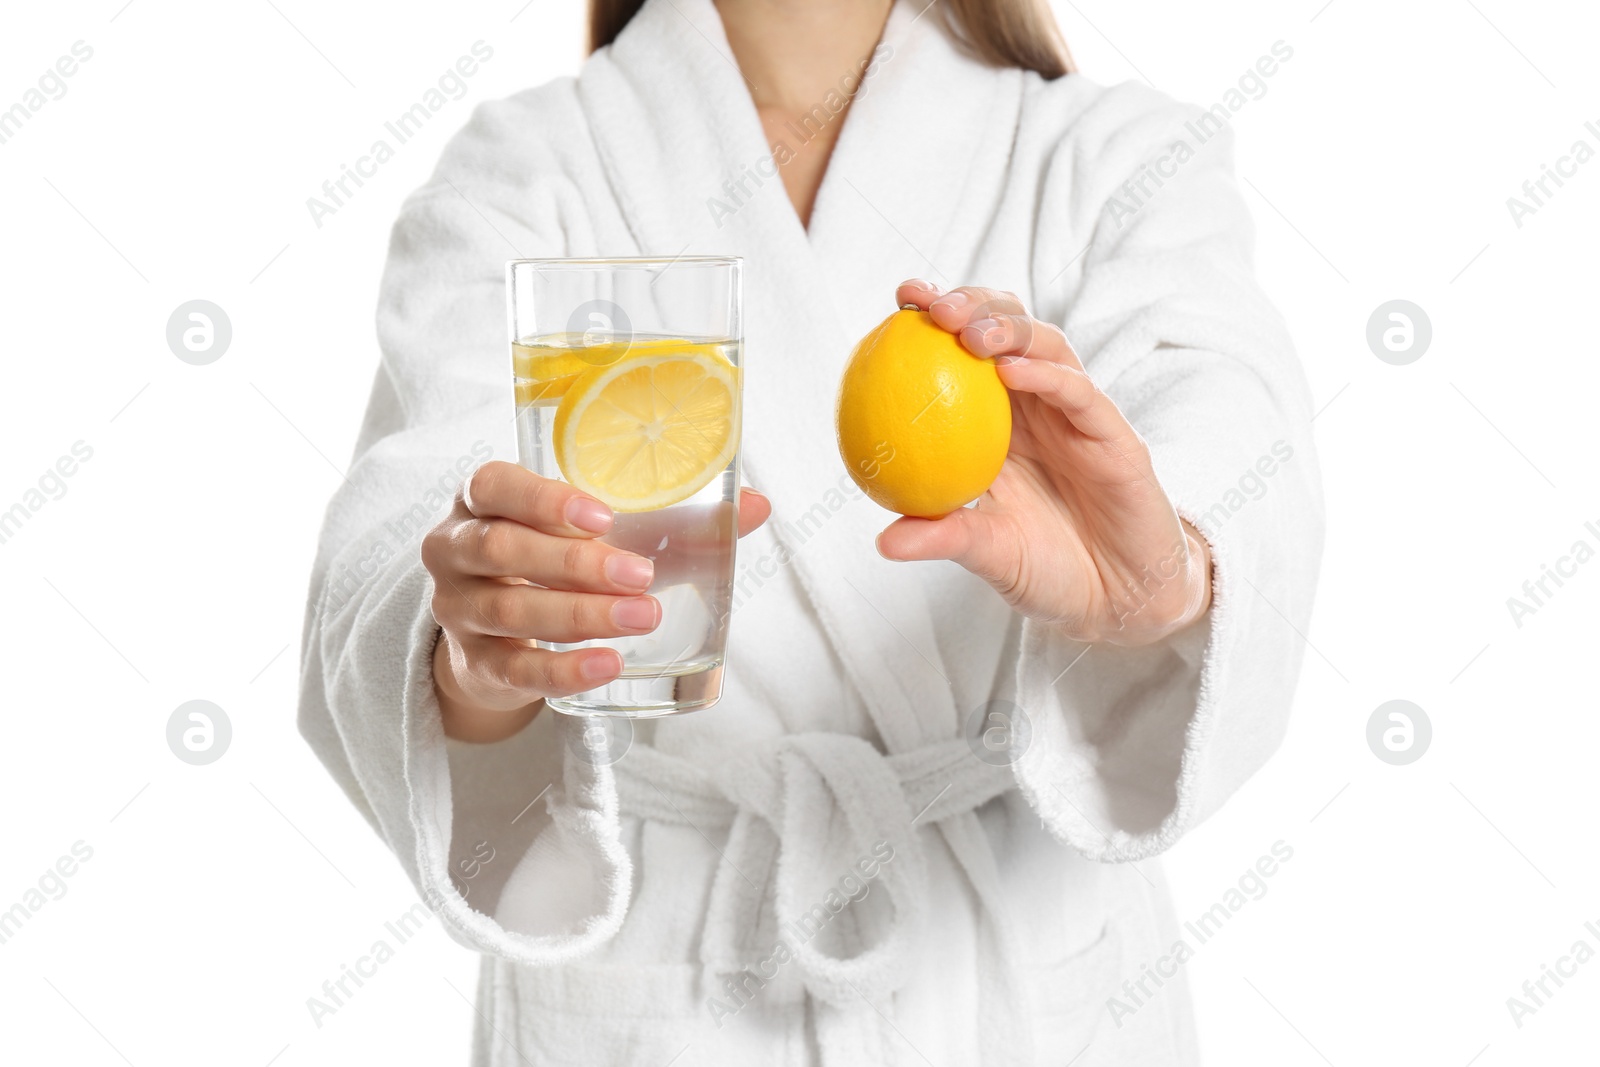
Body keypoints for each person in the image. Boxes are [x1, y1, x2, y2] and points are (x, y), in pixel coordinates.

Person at [298, 0, 1324, 1062]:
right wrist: (477, 653)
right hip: (658, 979)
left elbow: (1232, 426)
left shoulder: (1116, 160)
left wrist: (1163, 573)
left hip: (1014, 974)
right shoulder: (523, 171)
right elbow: (397, 538)